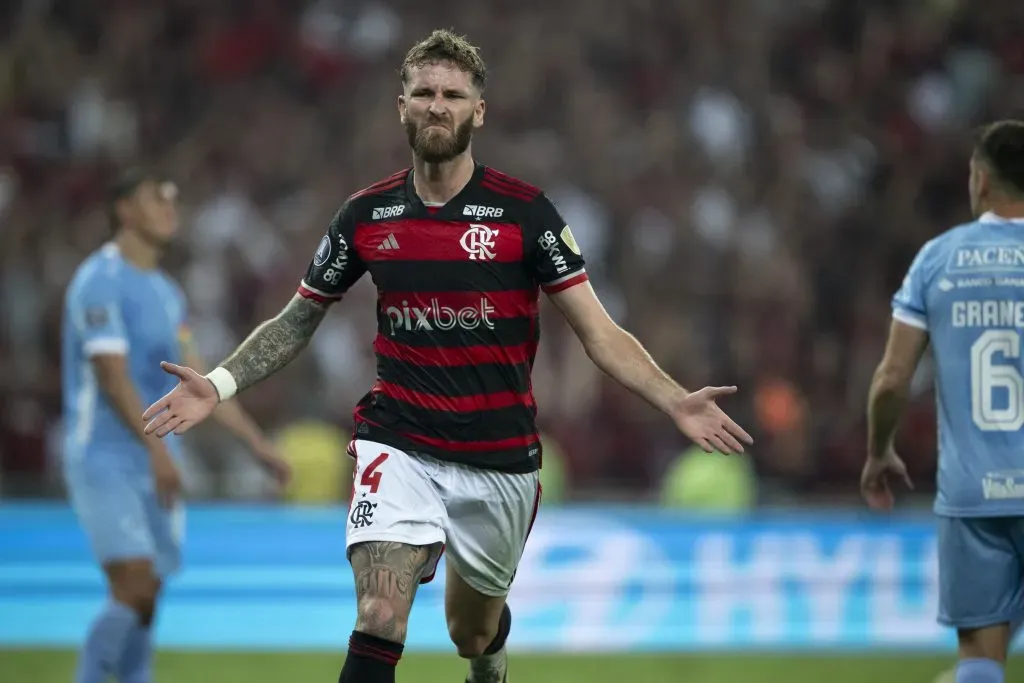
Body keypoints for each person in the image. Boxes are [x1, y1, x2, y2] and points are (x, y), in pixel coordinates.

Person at [141, 30, 752, 683]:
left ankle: (489, 660)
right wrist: (219, 383)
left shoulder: (526, 214)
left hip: (499, 459)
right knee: (380, 613)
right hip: (399, 441)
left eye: (453, 95)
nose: (438, 105)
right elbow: (298, 319)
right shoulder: (367, 215)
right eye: (425, 92)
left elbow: (598, 333)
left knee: (471, 630)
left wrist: (674, 399)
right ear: (401, 105)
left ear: (478, 111)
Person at [62, 169, 290, 683]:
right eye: (156, 198)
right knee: (135, 585)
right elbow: (113, 377)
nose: (170, 207)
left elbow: (201, 383)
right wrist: (158, 453)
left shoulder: (167, 293)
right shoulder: (99, 281)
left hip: (158, 457)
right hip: (105, 456)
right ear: (124, 209)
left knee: (150, 595)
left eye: (172, 199)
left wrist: (258, 446)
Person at [862, 120, 1024, 683]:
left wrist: (879, 451)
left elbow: (892, 379)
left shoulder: (938, 259)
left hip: (973, 497)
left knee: (979, 660)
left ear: (980, 180)